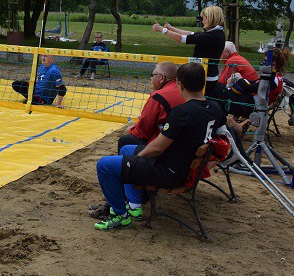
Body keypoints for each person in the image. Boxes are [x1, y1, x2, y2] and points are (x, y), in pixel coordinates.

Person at [92, 62, 226, 231]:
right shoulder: (215, 107)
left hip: (169, 172)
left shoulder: (182, 112)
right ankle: (134, 206)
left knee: (104, 165)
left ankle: (120, 216)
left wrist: (136, 159)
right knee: (126, 149)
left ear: (180, 84)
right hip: (185, 166)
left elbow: (157, 148)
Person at [152, 5, 226, 95]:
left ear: (210, 18)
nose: (202, 21)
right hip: (206, 75)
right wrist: (171, 28)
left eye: (204, 18)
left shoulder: (212, 36)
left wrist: (162, 30)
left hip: (206, 77)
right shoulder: (216, 33)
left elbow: (181, 39)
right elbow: (192, 34)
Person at [118, 61, 184, 150]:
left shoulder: (158, 97)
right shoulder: (184, 90)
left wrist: (131, 129)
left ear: (162, 78)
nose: (151, 79)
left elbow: (142, 132)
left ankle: (131, 163)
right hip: (184, 142)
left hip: (168, 149)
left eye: (152, 75)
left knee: (126, 139)